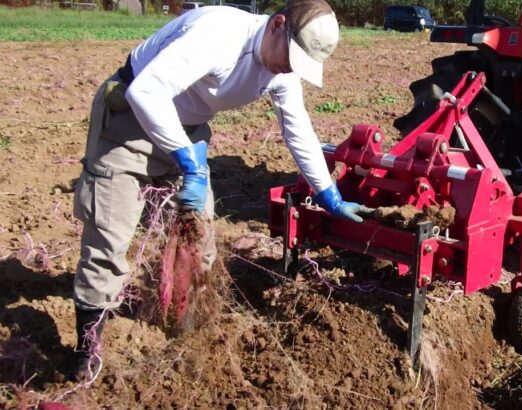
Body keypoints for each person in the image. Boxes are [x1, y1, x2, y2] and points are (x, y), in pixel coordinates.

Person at [72, 0, 372, 381]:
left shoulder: (282, 68)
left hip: (187, 133)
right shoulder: (219, 35)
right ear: (278, 25)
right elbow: (146, 92)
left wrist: (328, 194)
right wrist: (191, 164)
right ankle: (86, 353)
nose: (289, 69)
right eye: (291, 57)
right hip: (128, 126)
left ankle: (184, 334)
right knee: (109, 238)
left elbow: (298, 130)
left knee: (200, 243)